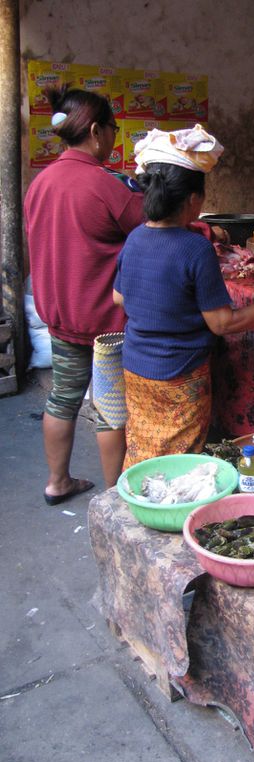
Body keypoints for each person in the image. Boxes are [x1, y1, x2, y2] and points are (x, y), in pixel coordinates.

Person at [113, 126, 254, 468]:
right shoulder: (195, 248)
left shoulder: (135, 238)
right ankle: (171, 518)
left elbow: (119, 299)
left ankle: (138, 506)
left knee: (144, 448)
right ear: (192, 199)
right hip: (180, 374)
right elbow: (222, 323)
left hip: (136, 367)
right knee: (180, 460)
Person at [24, 85, 144, 504]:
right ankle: (114, 498)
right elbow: (152, 228)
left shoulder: (41, 182)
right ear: (95, 131)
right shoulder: (104, 184)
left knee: (63, 396)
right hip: (103, 324)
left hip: (60, 315)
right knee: (111, 407)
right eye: (112, 128)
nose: (114, 137)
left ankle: (57, 482)